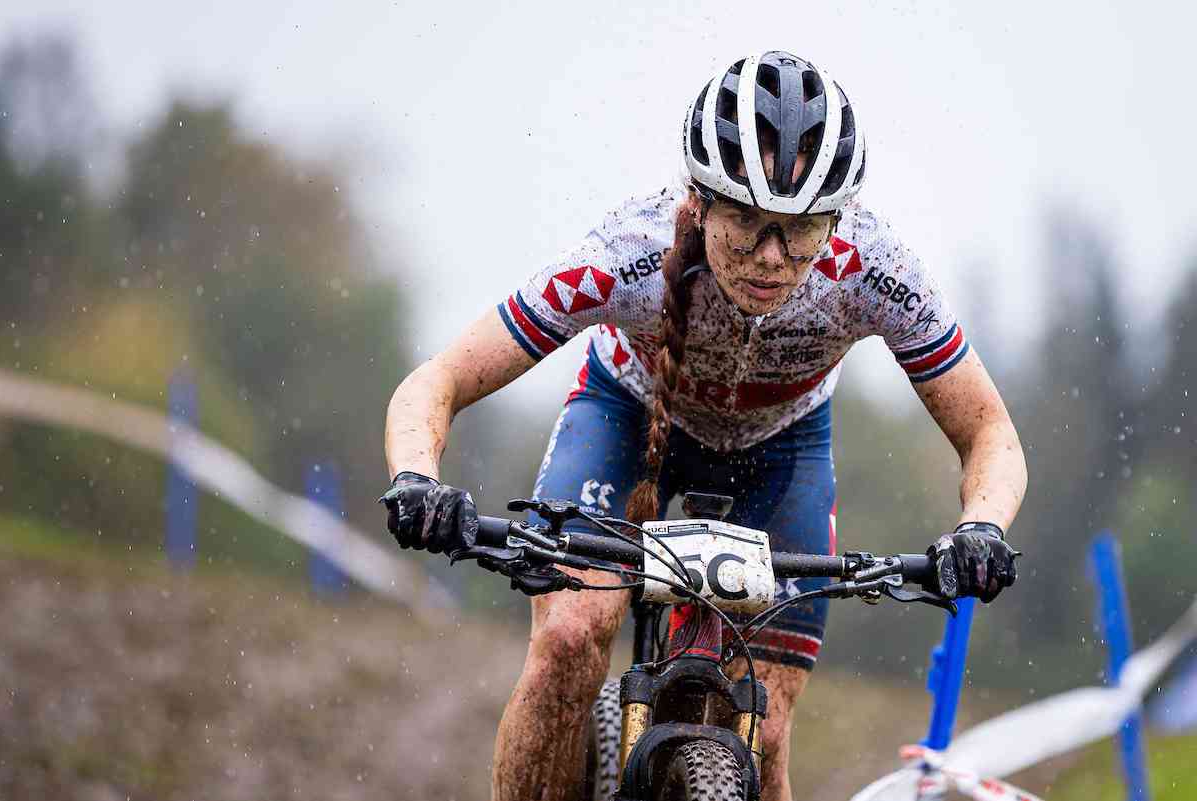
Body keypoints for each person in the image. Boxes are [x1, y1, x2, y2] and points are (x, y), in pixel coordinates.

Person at [381, 51, 1025, 801]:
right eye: (746, 222)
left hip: (780, 448)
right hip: (626, 416)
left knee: (770, 730)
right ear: (700, 199)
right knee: (567, 640)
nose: (771, 257)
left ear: (837, 217)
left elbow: (991, 433)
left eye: (800, 229)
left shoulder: (876, 270)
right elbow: (440, 379)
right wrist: (417, 479)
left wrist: (981, 525)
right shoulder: (632, 250)